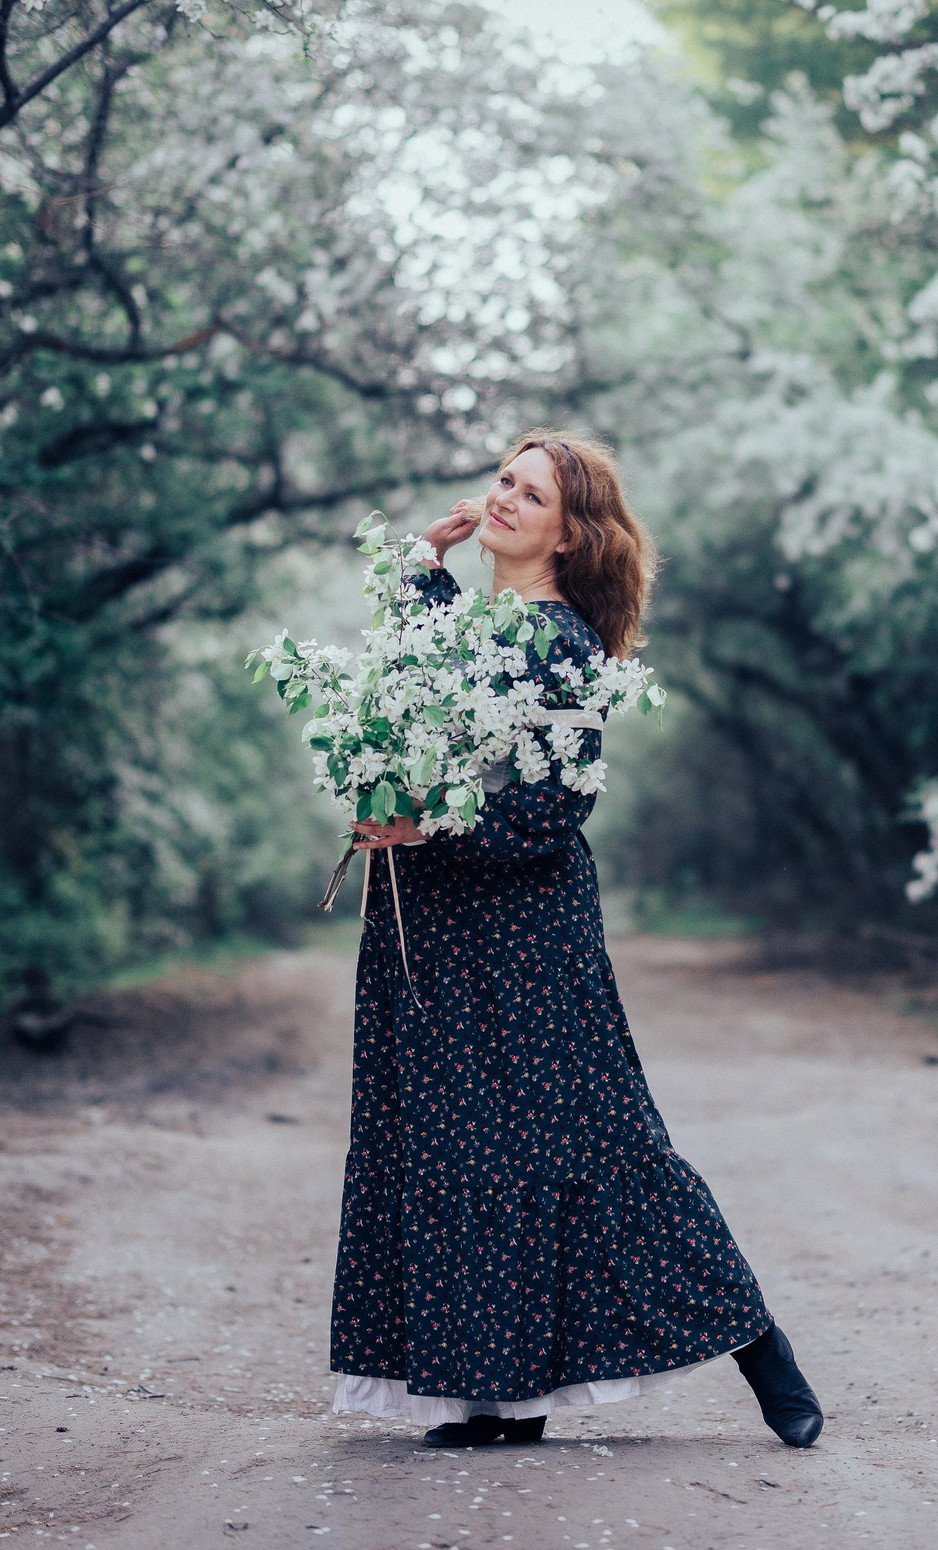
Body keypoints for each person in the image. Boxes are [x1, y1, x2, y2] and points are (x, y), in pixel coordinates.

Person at [327, 428, 824, 1451]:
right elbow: (417, 693)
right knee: (454, 1149)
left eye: (531, 493)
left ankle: (759, 1344)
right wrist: (422, 564)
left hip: (524, 928)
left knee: (604, 1143)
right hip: (429, 920)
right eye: (503, 480)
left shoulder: (560, 646)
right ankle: (493, 1394)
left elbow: (554, 809)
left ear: (569, 532)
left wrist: (427, 823)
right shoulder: (466, 622)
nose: (504, 499)